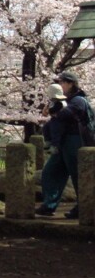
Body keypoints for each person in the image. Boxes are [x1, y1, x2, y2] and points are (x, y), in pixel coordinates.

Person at [36, 70, 90, 218]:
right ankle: (49, 205)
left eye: (62, 82)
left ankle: (84, 206)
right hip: (61, 141)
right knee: (50, 172)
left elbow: (68, 114)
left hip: (75, 140)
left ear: (70, 83)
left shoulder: (79, 100)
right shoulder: (60, 101)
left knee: (78, 174)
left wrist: (53, 111)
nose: (59, 85)